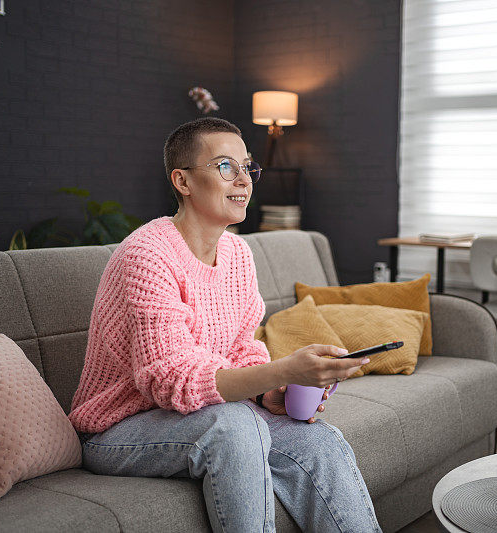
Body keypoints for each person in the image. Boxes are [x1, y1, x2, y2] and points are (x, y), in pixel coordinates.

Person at [68, 117, 382, 532]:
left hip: (204, 412)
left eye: (248, 167)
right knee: (234, 426)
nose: (244, 181)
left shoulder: (237, 253)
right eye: (225, 167)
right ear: (182, 181)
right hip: (116, 429)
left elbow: (240, 349)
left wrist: (271, 392)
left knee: (318, 441)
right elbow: (171, 381)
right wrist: (286, 369)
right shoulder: (145, 255)